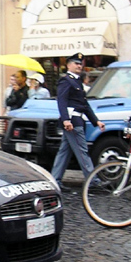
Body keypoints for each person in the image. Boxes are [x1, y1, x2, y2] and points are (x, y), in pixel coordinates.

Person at [51, 53, 105, 190]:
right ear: (69, 65)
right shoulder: (66, 80)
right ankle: (92, 181)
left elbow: (84, 104)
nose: (79, 66)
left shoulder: (77, 81)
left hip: (76, 119)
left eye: (80, 64)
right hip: (73, 121)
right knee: (82, 151)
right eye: (76, 63)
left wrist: (96, 121)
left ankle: (55, 180)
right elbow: (62, 101)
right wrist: (66, 120)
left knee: (64, 152)